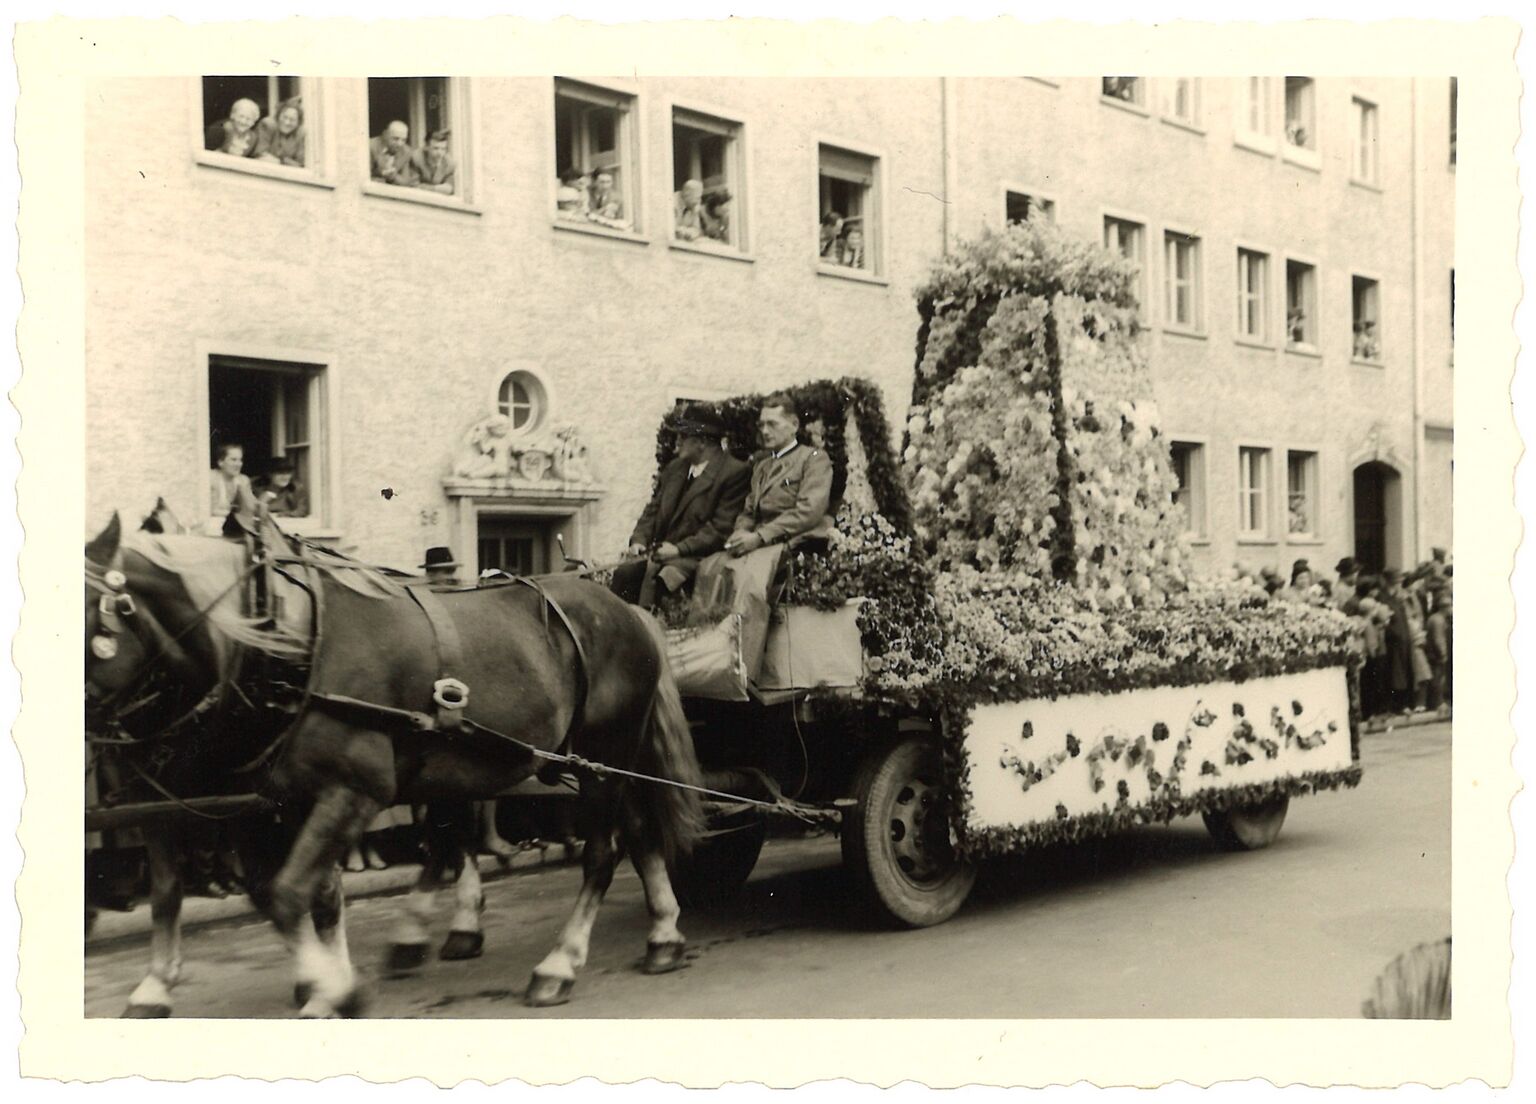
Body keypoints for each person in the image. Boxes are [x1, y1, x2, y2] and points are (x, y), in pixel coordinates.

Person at [611, 405, 751, 609]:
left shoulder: (734, 473)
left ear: (702, 442)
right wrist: (639, 540)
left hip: (701, 557)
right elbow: (653, 510)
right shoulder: (675, 468)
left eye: (683, 436)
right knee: (625, 574)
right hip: (664, 554)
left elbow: (720, 529)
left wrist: (679, 550)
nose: (677, 441)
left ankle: (660, 627)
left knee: (666, 580)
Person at [726, 394, 835, 557]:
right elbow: (749, 512)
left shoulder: (813, 459)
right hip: (757, 542)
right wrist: (740, 531)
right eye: (761, 425)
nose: (764, 431)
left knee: (737, 572)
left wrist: (760, 536)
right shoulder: (762, 466)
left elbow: (809, 512)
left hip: (792, 543)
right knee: (710, 566)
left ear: (794, 425)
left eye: (772, 424)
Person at [208, 443, 259, 532]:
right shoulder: (211, 477)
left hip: (234, 525)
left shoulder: (243, 480)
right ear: (220, 462)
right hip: (211, 525)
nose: (238, 464)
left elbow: (250, 508)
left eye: (240, 460)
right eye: (233, 460)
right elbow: (208, 509)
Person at [255, 98, 306, 167]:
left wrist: (281, 161)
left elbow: (299, 164)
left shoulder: (300, 134)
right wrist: (283, 161)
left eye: (292, 120)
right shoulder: (268, 125)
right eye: (284, 117)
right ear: (278, 115)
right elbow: (260, 154)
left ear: (298, 122)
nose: (287, 122)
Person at [370, 120, 420, 187]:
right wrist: (383, 178)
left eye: (403, 140)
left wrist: (393, 176)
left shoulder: (406, 151)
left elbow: (406, 181)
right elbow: (362, 178)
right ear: (385, 134)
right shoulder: (370, 146)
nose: (400, 144)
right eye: (396, 139)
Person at [416, 129, 456, 195]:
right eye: (436, 148)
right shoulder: (417, 158)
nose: (440, 153)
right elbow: (413, 186)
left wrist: (427, 187)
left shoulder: (449, 164)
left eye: (443, 149)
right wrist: (438, 189)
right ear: (426, 147)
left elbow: (449, 189)